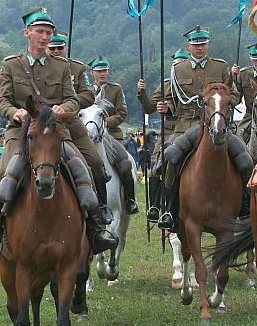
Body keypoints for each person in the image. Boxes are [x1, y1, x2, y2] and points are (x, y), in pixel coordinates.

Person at [0, 7, 116, 259]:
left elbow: (74, 100)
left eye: (48, 32)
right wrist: (16, 113)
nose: (45, 37)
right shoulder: (11, 65)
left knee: (89, 166)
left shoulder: (61, 66)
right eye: (40, 32)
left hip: (56, 131)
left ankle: (97, 228)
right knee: (6, 174)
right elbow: (3, 100)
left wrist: (63, 109)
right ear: (27, 33)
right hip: (21, 131)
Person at [153, 25, 246, 230]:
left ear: (208, 44)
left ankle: (245, 206)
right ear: (188, 46)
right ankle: (169, 208)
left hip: (217, 125)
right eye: (195, 45)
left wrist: (226, 100)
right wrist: (164, 106)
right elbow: (172, 101)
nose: (199, 48)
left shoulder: (221, 68)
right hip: (185, 125)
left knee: (245, 158)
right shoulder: (178, 69)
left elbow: (235, 95)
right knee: (169, 159)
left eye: (203, 44)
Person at [46, 32, 119, 220]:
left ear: (65, 47)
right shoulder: (37, 68)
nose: (56, 52)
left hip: (72, 123)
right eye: (52, 48)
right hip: (44, 126)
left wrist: (68, 104)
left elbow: (88, 96)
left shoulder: (77, 68)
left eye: (59, 48)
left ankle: (102, 208)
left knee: (95, 162)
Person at [137, 50, 189, 223]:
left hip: (188, 127)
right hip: (168, 130)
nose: (178, 66)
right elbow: (149, 107)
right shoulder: (165, 85)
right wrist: (142, 93)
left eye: (182, 63)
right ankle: (155, 206)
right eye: (176, 64)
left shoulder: (193, 84)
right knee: (155, 163)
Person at [87, 55, 138, 214]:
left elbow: (122, 113)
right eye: (99, 71)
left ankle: (129, 200)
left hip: (111, 135)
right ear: (92, 73)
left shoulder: (116, 89)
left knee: (124, 163)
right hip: (87, 136)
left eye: (105, 71)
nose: (102, 74)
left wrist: (105, 123)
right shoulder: (85, 91)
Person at [231, 43, 257, 142]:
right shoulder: (243, 74)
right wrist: (231, 77)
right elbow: (236, 99)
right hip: (250, 116)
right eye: (255, 59)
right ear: (250, 58)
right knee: (238, 139)